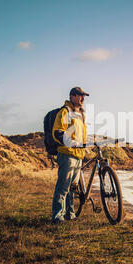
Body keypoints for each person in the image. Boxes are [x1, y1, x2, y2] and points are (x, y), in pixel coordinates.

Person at [51, 86, 89, 224]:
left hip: (78, 156)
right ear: (72, 96)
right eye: (80, 95)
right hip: (67, 154)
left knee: (72, 188)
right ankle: (57, 216)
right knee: (63, 187)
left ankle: (70, 214)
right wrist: (70, 143)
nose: (83, 98)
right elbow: (58, 132)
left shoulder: (80, 115)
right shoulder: (65, 111)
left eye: (84, 96)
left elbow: (81, 136)